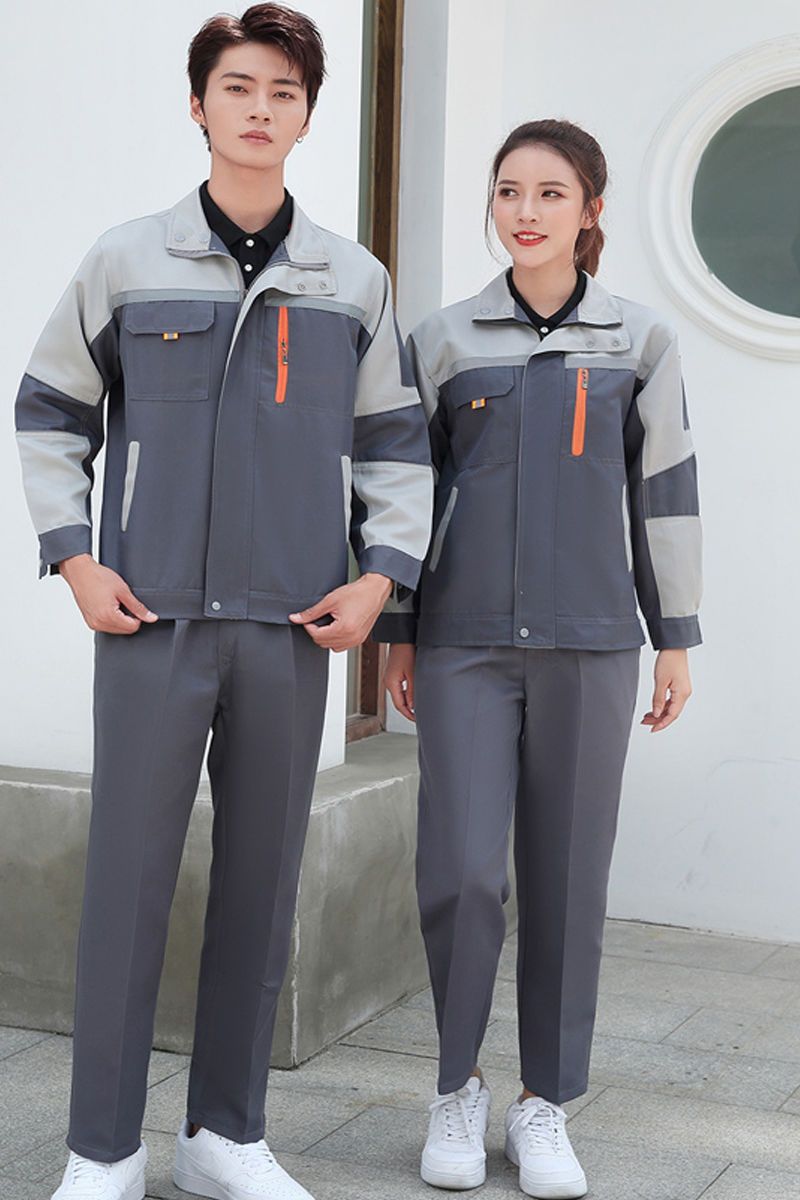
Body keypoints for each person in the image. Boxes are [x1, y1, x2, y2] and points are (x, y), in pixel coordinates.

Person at [13, 5, 432, 1199]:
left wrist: (378, 578)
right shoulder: (125, 258)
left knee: (262, 881)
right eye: (238, 87)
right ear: (197, 106)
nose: (259, 108)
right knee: (126, 885)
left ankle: (223, 1138)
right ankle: (102, 1149)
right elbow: (49, 411)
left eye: (283, 92)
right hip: (148, 618)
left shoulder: (351, 279)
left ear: (306, 117)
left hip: (292, 624)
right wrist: (75, 559)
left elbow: (396, 443)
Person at [375, 118, 702, 1199]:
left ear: (589, 211)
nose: (525, 212)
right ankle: (456, 1088)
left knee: (567, 881)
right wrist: (399, 629)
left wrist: (674, 637)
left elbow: (664, 493)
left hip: (591, 644)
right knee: (462, 875)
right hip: (463, 643)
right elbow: (404, 493)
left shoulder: (640, 342)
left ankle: (544, 1103)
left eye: (550, 193)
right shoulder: (441, 340)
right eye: (508, 190)